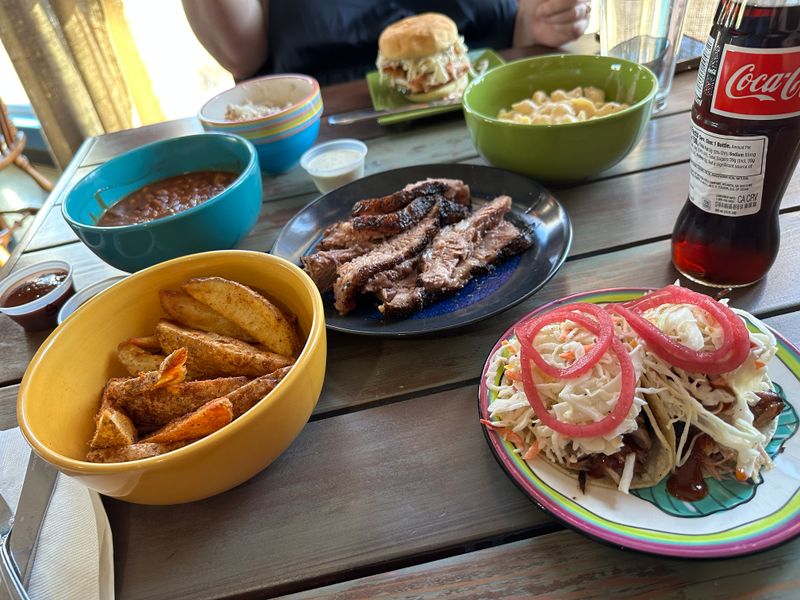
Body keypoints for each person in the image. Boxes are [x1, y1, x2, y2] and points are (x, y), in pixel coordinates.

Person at [182, 0, 591, 85]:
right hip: (329, 156)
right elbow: (239, 52)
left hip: (497, 118)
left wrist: (544, 21)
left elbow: (515, 21)